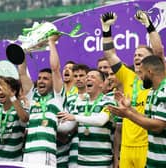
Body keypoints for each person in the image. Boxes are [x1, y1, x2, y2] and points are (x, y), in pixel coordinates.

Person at [100, 10, 164, 168]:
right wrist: (106, 30)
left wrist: (149, 26)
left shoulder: (157, 81)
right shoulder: (128, 76)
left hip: (147, 148)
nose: (136, 57)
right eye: (135, 55)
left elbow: (159, 52)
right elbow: (110, 55)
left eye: (141, 55)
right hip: (127, 148)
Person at [107, 55, 166, 168]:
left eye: (142, 73)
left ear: (150, 72)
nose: (141, 77)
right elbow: (148, 119)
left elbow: (158, 126)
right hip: (153, 160)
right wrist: (129, 109)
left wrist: (128, 114)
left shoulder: (164, 91)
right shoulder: (153, 92)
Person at [18, 35, 65, 167]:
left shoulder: (58, 98)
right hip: (28, 152)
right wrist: (24, 48)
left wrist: (51, 42)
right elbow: (22, 73)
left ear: (52, 82)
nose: (41, 81)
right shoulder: (32, 96)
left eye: (45, 78)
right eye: (39, 78)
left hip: (45, 152)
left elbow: (55, 69)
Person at [58, 69, 116, 168]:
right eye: (87, 77)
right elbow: (68, 127)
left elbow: (100, 121)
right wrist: (51, 124)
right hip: (81, 161)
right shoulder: (80, 103)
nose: (88, 79)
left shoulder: (109, 102)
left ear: (101, 84)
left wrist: (75, 117)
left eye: (93, 77)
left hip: (102, 161)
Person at [0, 76, 29, 161]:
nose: (0, 92)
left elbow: (24, 118)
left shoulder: (22, 109)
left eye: (3, 89)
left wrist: (11, 96)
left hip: (14, 162)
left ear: (13, 91)